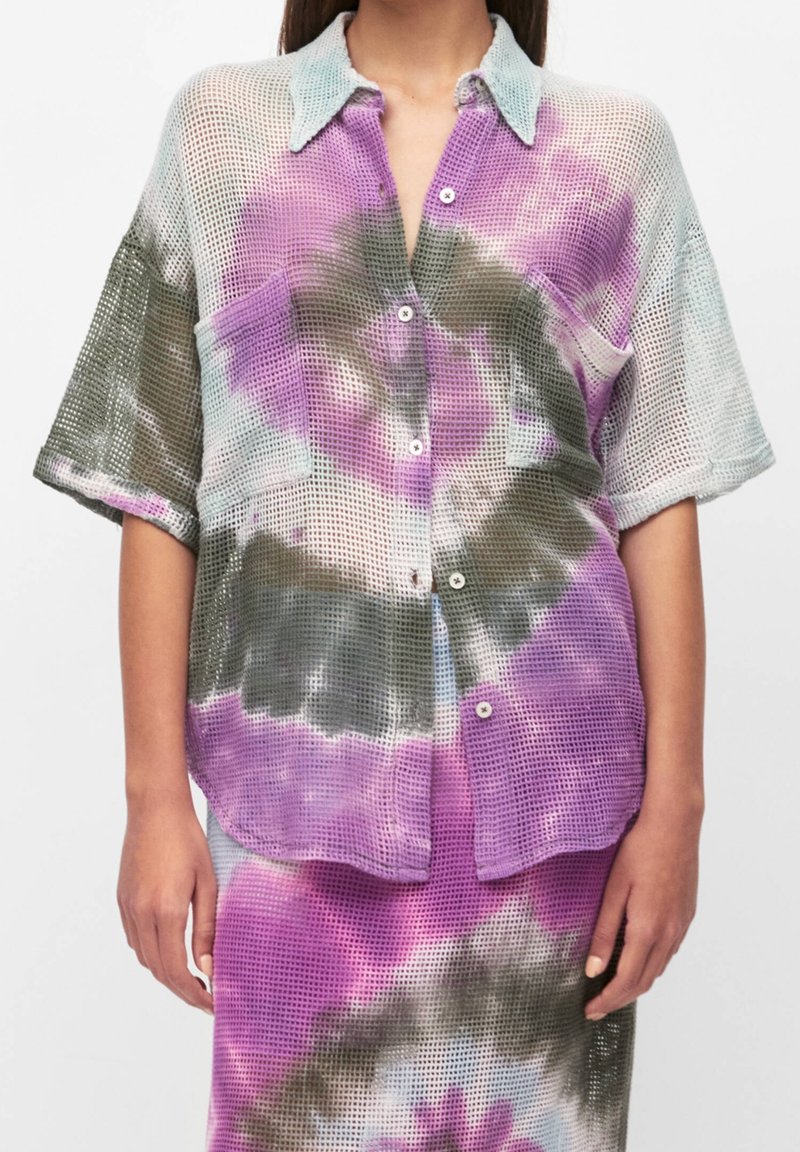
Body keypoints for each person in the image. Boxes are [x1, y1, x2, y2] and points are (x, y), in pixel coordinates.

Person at [32, 2, 776, 1149]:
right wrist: (151, 801)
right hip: (291, 821)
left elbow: (654, 495)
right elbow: (154, 483)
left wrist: (675, 806)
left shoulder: (615, 149)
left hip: (551, 825)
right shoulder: (221, 132)